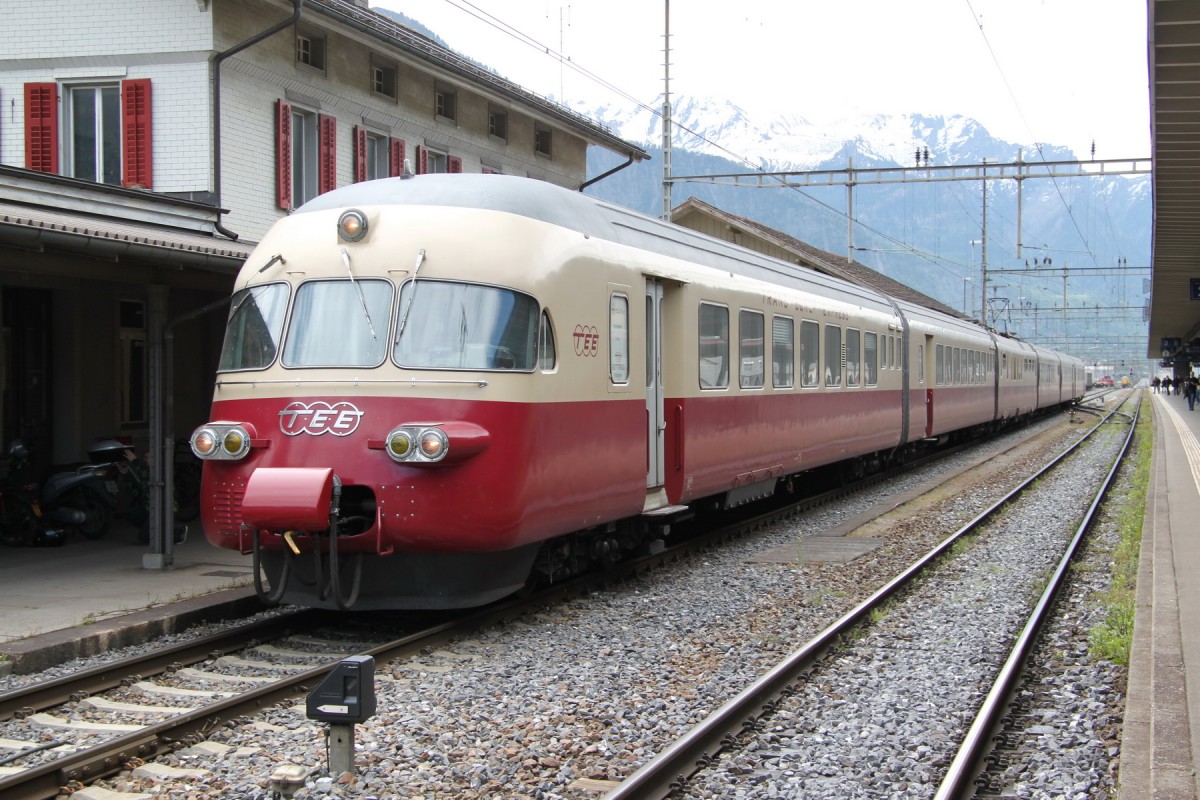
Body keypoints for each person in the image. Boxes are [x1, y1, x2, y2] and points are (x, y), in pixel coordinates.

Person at [120, 448, 187, 545]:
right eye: (145, 457)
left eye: (150, 457)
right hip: (150, 509)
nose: (147, 460)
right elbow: (136, 492)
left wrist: (134, 460)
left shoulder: (161, 471)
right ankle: (154, 530)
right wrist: (126, 475)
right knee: (130, 514)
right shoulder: (144, 472)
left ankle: (177, 533)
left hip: (164, 510)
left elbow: (148, 474)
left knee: (144, 537)